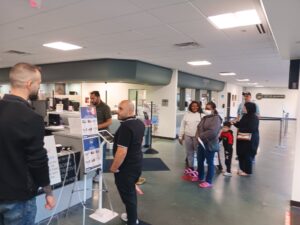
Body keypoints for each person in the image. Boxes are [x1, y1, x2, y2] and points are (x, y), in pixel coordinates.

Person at [0, 63, 56, 224]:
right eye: (38, 83)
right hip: (18, 197)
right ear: (29, 84)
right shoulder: (31, 118)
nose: (39, 87)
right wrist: (48, 192)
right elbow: (37, 160)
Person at [110, 100, 145, 225]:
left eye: (120, 109)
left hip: (125, 168)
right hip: (136, 164)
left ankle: (132, 221)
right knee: (130, 192)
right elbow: (139, 143)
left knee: (128, 195)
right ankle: (132, 216)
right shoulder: (140, 123)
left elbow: (121, 151)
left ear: (130, 111)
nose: (117, 111)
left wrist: (114, 167)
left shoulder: (125, 127)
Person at [196, 101, 222, 188]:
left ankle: (209, 181)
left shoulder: (216, 118)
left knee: (210, 162)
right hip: (201, 143)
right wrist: (198, 136)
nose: (206, 110)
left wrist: (201, 136)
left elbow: (213, 132)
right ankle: (200, 176)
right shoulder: (205, 117)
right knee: (200, 160)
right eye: (206, 108)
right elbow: (199, 127)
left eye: (208, 108)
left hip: (209, 143)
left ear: (213, 109)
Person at [90, 91, 112, 182]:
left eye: (93, 98)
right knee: (93, 154)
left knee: (101, 155)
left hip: (101, 134)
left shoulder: (105, 107)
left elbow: (109, 122)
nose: (91, 100)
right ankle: (94, 172)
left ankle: (100, 174)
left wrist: (97, 127)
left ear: (98, 97)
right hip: (92, 133)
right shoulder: (92, 106)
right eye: (91, 98)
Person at [233, 102, 259, 176]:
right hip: (242, 138)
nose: (243, 108)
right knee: (241, 153)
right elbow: (240, 124)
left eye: (244, 107)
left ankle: (247, 171)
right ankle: (242, 169)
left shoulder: (254, 118)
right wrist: (234, 123)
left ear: (249, 108)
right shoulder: (245, 116)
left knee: (247, 155)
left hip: (250, 140)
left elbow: (251, 129)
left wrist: (241, 129)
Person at [178, 101, 202, 181]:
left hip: (197, 137)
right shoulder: (186, 115)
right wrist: (180, 136)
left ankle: (199, 168)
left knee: (198, 153)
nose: (195, 107)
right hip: (187, 136)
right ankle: (191, 167)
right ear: (190, 107)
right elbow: (182, 126)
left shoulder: (202, 115)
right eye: (193, 106)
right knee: (189, 152)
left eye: (196, 106)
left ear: (199, 107)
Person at [236, 92, 260, 161]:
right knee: (241, 141)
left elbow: (258, 115)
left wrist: (252, 122)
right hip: (241, 126)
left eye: (247, 96)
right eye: (245, 96)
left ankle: (251, 157)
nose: (246, 97)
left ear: (250, 96)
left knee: (250, 142)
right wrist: (237, 122)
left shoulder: (254, 105)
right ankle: (241, 155)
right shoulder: (241, 105)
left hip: (249, 127)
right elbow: (238, 115)